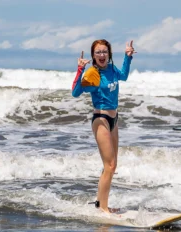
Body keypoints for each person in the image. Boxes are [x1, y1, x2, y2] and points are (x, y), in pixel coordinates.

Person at [71, 39, 135, 213]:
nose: (101, 55)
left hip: (114, 120)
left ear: (109, 54)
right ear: (93, 55)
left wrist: (128, 57)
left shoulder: (113, 70)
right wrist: (80, 70)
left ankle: (100, 203)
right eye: (98, 52)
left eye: (104, 52)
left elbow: (124, 76)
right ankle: (104, 209)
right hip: (101, 119)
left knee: (112, 165)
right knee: (110, 165)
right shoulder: (93, 74)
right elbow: (75, 93)